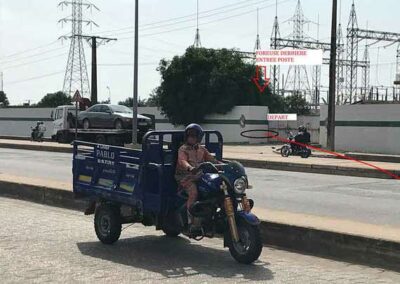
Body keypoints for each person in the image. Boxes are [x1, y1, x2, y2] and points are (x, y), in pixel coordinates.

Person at [175, 123, 218, 232]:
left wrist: (225, 165)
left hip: (199, 176)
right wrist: (190, 168)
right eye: (189, 135)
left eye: (194, 136)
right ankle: (191, 222)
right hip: (185, 177)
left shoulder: (202, 149)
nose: (191, 138)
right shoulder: (183, 149)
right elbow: (182, 161)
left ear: (198, 137)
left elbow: (213, 160)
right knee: (193, 193)